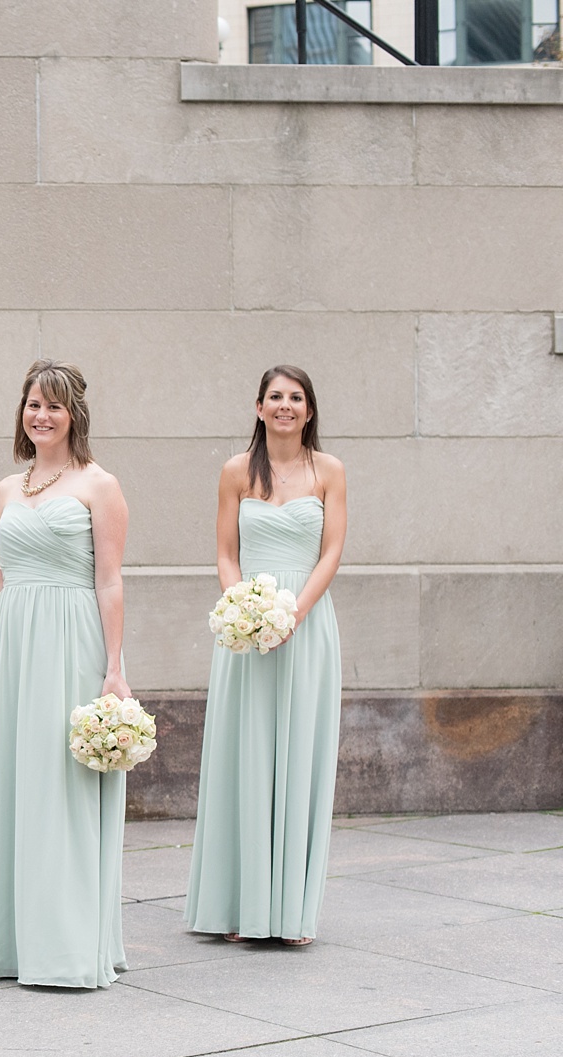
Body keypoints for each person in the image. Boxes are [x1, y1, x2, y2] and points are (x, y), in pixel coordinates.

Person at [0, 360, 130, 989]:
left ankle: (65, 945)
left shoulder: (99, 485)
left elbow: (110, 580)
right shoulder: (8, 489)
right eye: (33, 405)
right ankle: (9, 943)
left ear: (74, 415)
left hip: (71, 638)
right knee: (14, 783)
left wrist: (114, 667)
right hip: (14, 642)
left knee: (64, 786)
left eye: (54, 407)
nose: (41, 416)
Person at [184, 365, 347, 946]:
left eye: (295, 397)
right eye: (275, 397)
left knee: (299, 754)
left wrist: (293, 614)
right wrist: (244, 608)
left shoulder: (329, 471)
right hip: (245, 629)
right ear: (258, 407)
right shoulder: (234, 472)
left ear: (308, 410)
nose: (285, 405)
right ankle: (239, 906)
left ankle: (290, 912)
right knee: (245, 753)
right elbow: (226, 553)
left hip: (307, 622)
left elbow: (331, 554)